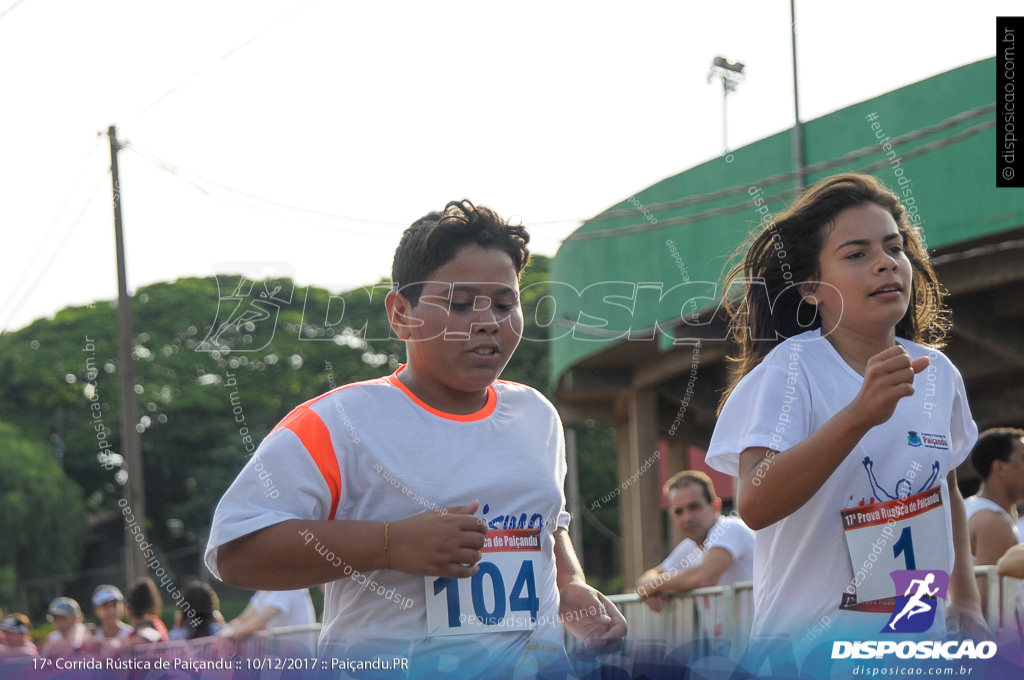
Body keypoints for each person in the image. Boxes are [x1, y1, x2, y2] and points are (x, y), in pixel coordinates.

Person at [205, 200, 626, 677]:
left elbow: (549, 523)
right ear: (400, 313)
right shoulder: (338, 421)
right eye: (461, 303)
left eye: (506, 303)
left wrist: (571, 586)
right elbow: (236, 551)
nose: (488, 320)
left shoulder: (537, 415)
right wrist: (389, 544)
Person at [705, 173, 986, 663]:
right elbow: (754, 501)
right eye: (857, 254)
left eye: (894, 249)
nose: (885, 264)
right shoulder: (791, 370)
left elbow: (947, 488)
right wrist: (859, 414)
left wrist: (964, 597)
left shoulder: (937, 372)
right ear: (812, 289)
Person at [636, 470, 754, 612]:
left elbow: (705, 576)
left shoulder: (729, 528)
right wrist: (651, 589)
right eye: (679, 511)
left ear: (715, 506)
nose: (687, 518)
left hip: (757, 633)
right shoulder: (689, 546)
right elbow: (647, 578)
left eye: (694, 507)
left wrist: (655, 585)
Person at [964, 428, 1024, 564]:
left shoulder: (968, 506)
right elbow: (989, 586)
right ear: (1000, 468)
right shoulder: (994, 522)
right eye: (1023, 458)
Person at [218, 589, 315, 650]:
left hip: (297, 665)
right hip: (280, 664)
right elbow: (243, 619)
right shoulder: (264, 590)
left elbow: (257, 622)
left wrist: (228, 634)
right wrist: (224, 632)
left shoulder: (289, 585)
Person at [86, 585, 132, 653]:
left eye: (114, 605)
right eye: (106, 606)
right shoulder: (90, 633)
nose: (111, 611)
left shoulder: (131, 634)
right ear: (96, 610)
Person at [123, 577, 169, 644]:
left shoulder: (150, 624)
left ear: (128, 607)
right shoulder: (156, 622)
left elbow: (151, 635)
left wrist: (119, 646)